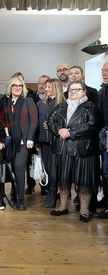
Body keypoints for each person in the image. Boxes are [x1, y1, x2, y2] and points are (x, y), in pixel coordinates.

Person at [47, 80, 98, 222]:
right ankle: (63, 206)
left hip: (83, 150)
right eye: (71, 90)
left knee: (84, 182)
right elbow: (51, 120)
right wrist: (59, 129)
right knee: (63, 180)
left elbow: (92, 125)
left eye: (77, 89)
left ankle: (84, 210)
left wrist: (71, 132)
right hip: (63, 149)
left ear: (84, 92)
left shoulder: (90, 107)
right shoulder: (60, 106)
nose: (73, 92)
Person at [0, 76, 38, 211]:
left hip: (23, 142)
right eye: (15, 85)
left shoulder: (28, 101)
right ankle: (14, 196)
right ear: (10, 87)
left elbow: (33, 121)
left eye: (20, 86)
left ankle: (21, 201)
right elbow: (2, 118)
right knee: (12, 170)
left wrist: (30, 138)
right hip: (9, 142)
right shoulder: (7, 102)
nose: (17, 88)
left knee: (19, 168)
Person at [36, 78, 65, 208]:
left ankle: (52, 195)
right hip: (44, 141)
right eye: (46, 87)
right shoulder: (40, 104)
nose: (46, 89)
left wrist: (52, 126)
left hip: (58, 141)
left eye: (49, 87)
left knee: (55, 170)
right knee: (48, 168)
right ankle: (50, 192)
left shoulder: (63, 104)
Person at [94, 61, 108, 219]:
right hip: (103, 137)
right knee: (105, 172)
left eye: (107, 70)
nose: (104, 73)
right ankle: (105, 199)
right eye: (103, 70)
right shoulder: (102, 90)